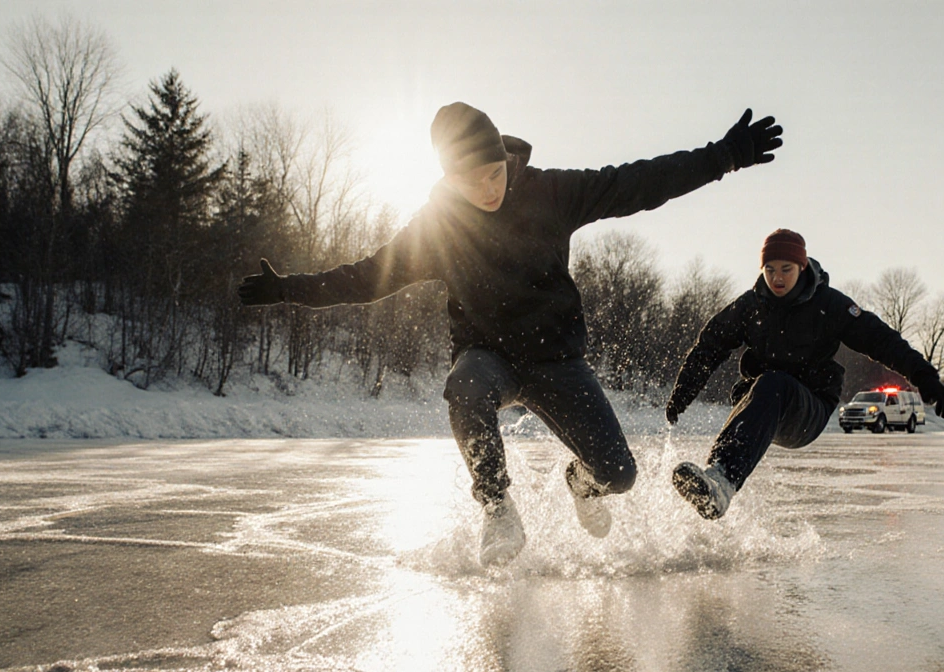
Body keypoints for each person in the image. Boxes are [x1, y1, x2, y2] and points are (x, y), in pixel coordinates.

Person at [238, 102, 784, 566]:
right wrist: (288, 288)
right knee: (465, 387)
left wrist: (724, 156)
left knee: (618, 475)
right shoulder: (438, 227)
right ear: (447, 179)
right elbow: (365, 277)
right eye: (471, 182)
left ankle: (581, 482)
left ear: (506, 155)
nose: (488, 189)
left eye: (495, 173)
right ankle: (498, 510)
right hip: (488, 358)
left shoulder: (549, 192)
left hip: (556, 363)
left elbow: (634, 183)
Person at [664, 228, 944, 519]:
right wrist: (683, 392)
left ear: (802, 267)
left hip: (808, 409)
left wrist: (924, 376)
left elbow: (882, 341)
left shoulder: (829, 305)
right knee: (766, 385)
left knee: (774, 383)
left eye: (786, 270)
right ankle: (715, 480)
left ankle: (723, 482)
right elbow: (709, 346)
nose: (777, 278)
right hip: (760, 404)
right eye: (770, 269)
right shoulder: (750, 306)